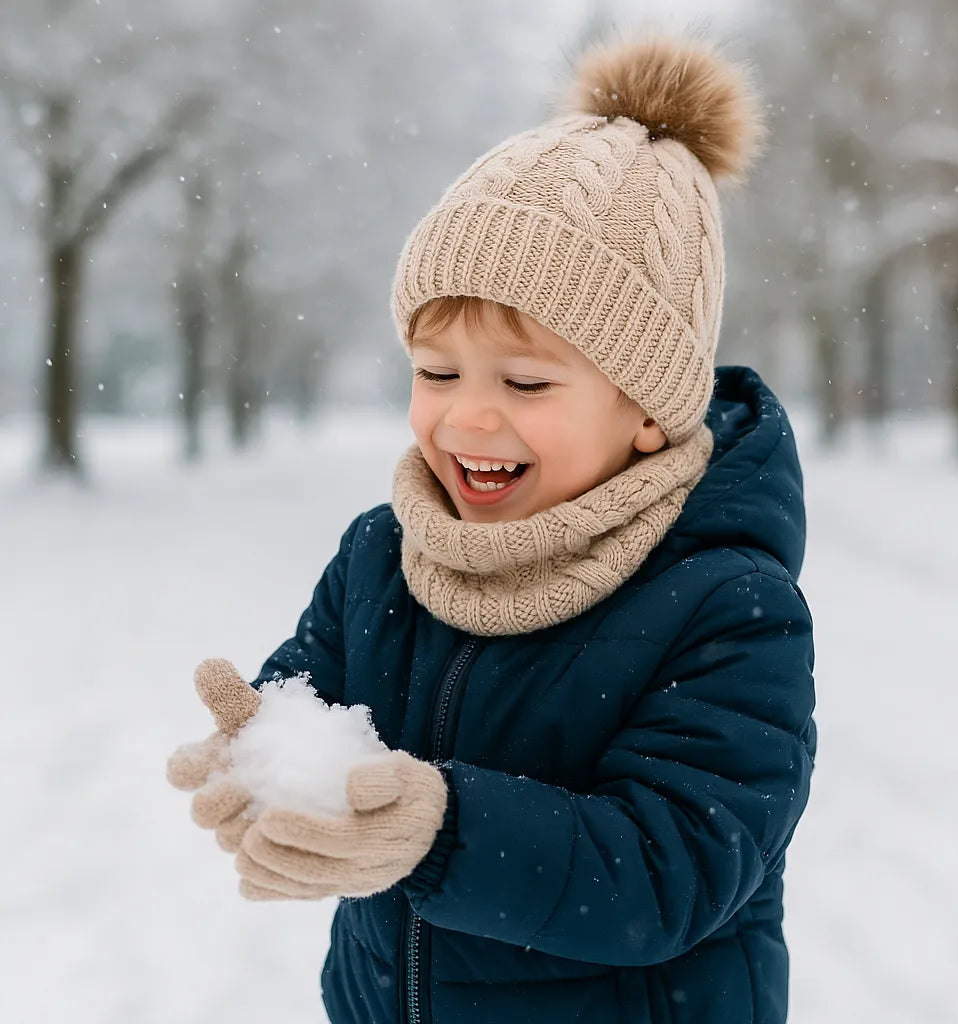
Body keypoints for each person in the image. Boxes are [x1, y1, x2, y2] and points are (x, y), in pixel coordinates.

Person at [168, 33, 817, 1024]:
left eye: (523, 382)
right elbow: (320, 706)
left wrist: (443, 831)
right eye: (437, 372)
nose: (468, 414)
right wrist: (266, 757)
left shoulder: (727, 604)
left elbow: (669, 869)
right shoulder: (381, 556)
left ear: (646, 407)